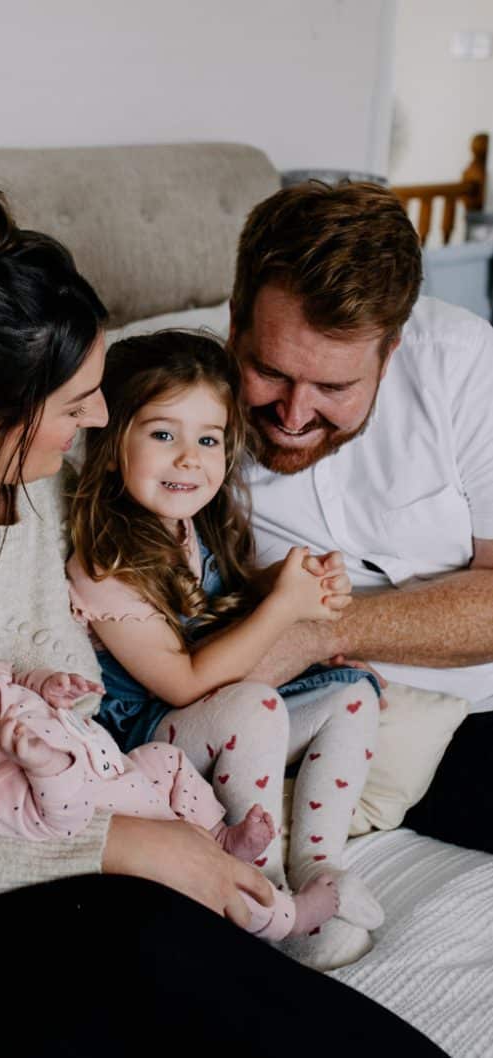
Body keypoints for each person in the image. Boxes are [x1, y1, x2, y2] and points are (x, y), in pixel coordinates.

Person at [0, 177, 444, 1057]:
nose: (101, 418)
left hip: (68, 816)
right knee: (155, 956)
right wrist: (130, 845)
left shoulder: (52, 486)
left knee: (220, 965)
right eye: (76, 405)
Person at [67, 330, 384, 960]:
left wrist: (296, 586)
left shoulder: (190, 522)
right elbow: (184, 682)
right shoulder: (101, 564)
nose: (190, 459)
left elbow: (218, 606)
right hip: (154, 742)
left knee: (352, 693)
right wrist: (284, 609)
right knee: (252, 707)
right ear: (108, 447)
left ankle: (316, 865)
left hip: (215, 719)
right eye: (163, 434)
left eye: (208, 439)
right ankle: (261, 895)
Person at [230, 179, 493, 856]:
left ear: (390, 350)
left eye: (334, 388)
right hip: (318, 725)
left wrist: (323, 632)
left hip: (478, 712)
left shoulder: (464, 367)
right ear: (235, 320)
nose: (292, 416)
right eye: (269, 371)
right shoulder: (176, 410)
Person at [0, 653, 340, 940]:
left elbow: (14, 674)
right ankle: (291, 919)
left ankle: (222, 836)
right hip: (123, 815)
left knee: (167, 759)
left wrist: (47, 683)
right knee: (221, 895)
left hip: (129, 772)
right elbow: (62, 822)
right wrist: (44, 766)